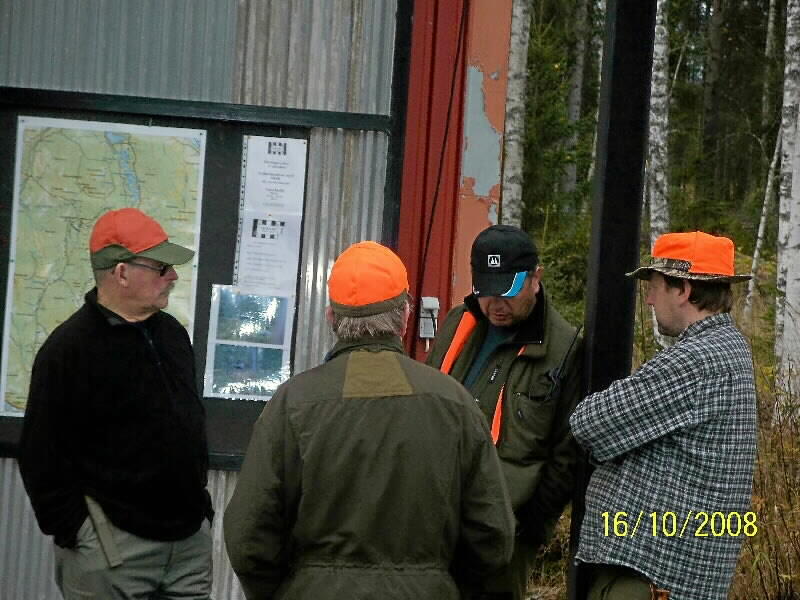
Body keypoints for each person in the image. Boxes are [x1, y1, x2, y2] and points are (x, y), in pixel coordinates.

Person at [224, 240, 515, 599]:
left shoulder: (293, 403)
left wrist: (291, 590)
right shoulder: (454, 403)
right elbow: (493, 536)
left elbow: (248, 537)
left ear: (332, 318)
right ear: (405, 316)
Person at [18, 207, 213, 600]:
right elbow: (41, 455)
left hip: (187, 544)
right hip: (114, 549)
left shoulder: (173, 334)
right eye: (161, 267)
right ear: (121, 272)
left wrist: (203, 514)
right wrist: (79, 532)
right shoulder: (69, 349)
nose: (173, 277)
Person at [570, 231, 757, 600]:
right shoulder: (727, 347)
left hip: (653, 577)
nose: (650, 299)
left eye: (654, 287)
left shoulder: (697, 359)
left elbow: (588, 422)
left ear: (683, 289)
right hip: (673, 575)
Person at [426, 224, 583, 600]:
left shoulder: (566, 350)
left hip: (503, 542)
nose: (496, 304)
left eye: (508, 291)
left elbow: (567, 454)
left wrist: (528, 530)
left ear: (535, 279)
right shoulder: (457, 325)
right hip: (432, 523)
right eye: (487, 290)